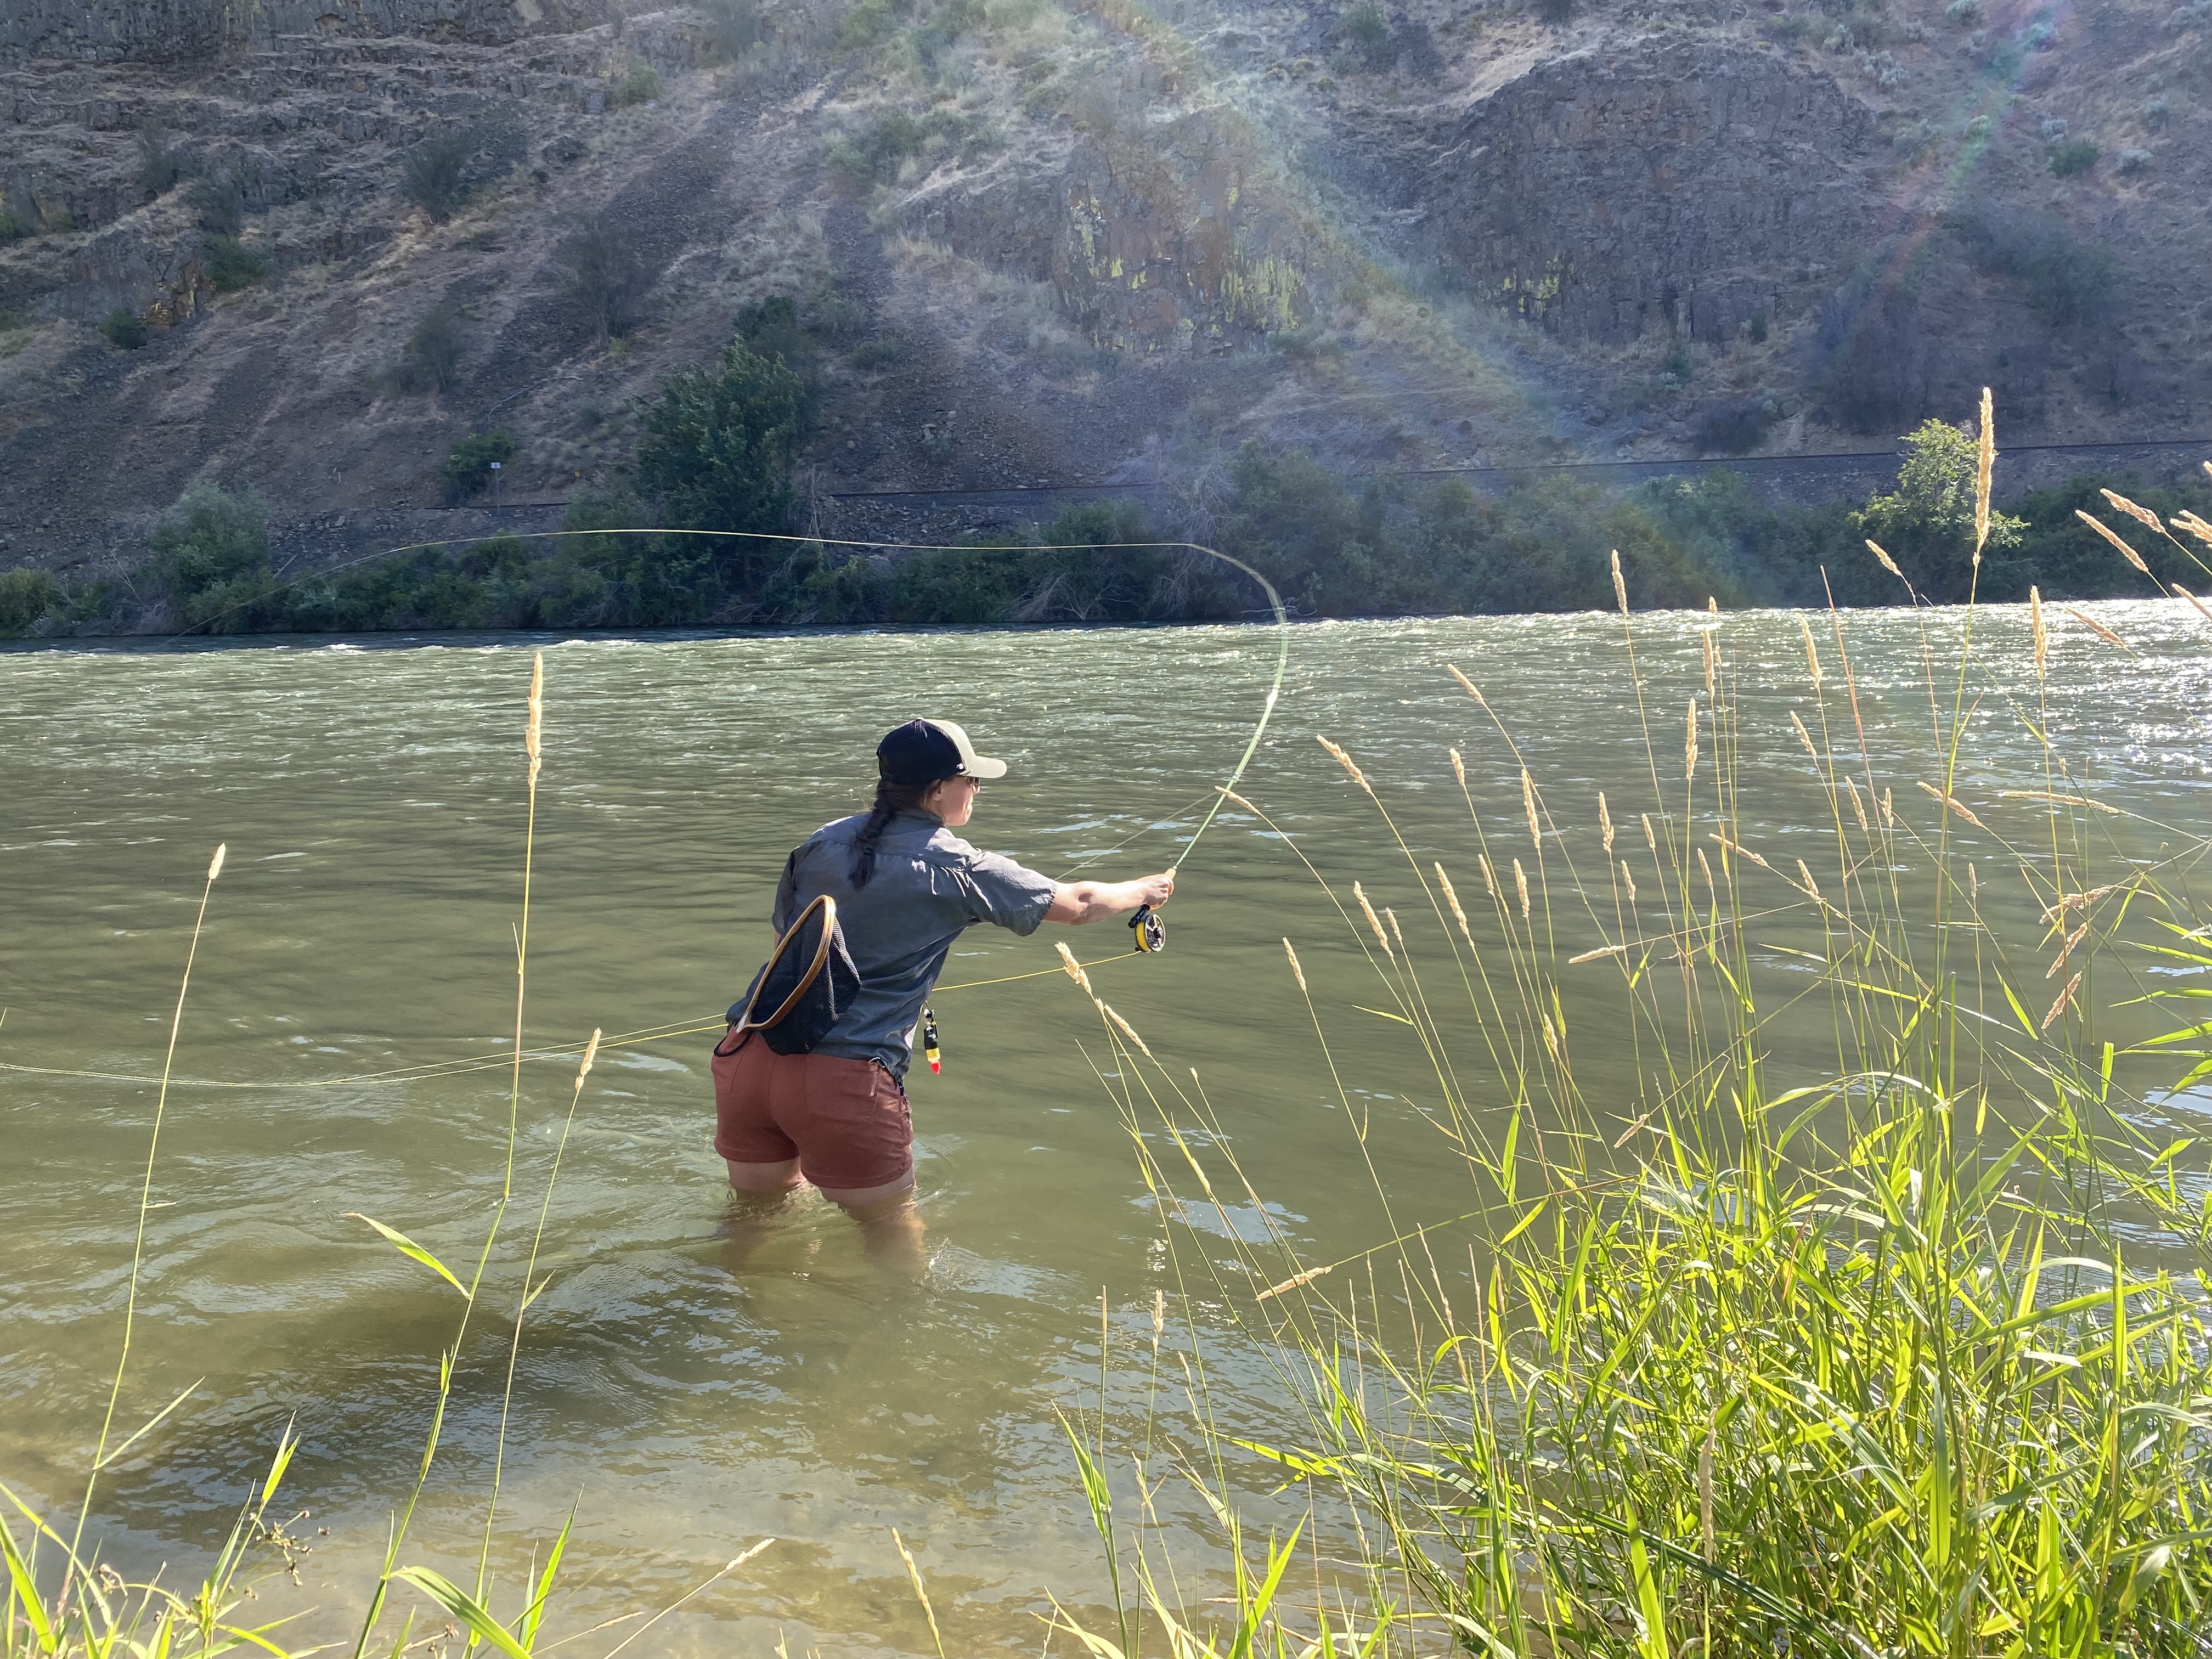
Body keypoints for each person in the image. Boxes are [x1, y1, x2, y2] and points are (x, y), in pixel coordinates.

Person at [713, 717, 1173, 1269]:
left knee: (752, 1224)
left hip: (747, 1058)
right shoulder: (954, 864)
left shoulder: (821, 842)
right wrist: (1146, 889)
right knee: (893, 1241)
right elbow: (1080, 904)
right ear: (939, 790)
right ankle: (896, 1349)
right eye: (972, 780)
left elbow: (785, 948)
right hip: (843, 1079)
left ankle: (727, 1313)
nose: (977, 791)